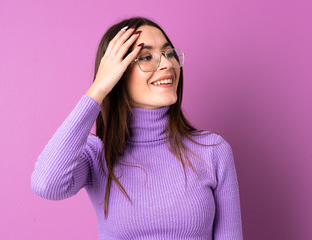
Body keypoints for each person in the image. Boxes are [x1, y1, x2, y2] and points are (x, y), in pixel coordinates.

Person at [31, 16, 243, 239]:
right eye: (146, 57)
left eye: (169, 53)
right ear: (117, 75)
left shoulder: (212, 150)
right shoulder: (97, 155)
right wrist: (99, 88)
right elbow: (46, 184)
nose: (167, 64)